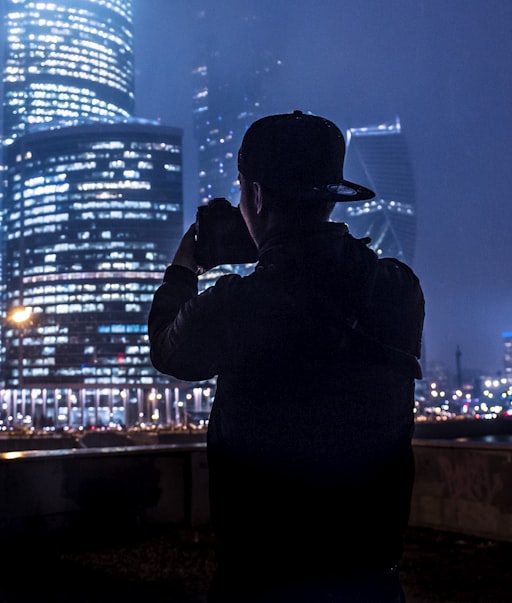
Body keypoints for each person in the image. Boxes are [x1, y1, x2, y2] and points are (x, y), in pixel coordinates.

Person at [148, 111, 425, 602]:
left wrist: (185, 263)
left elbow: (168, 349)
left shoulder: (238, 305)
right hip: (372, 578)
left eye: (243, 193)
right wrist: (274, 247)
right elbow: (320, 284)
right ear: (330, 195)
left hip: (263, 582)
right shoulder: (399, 290)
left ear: (254, 195)